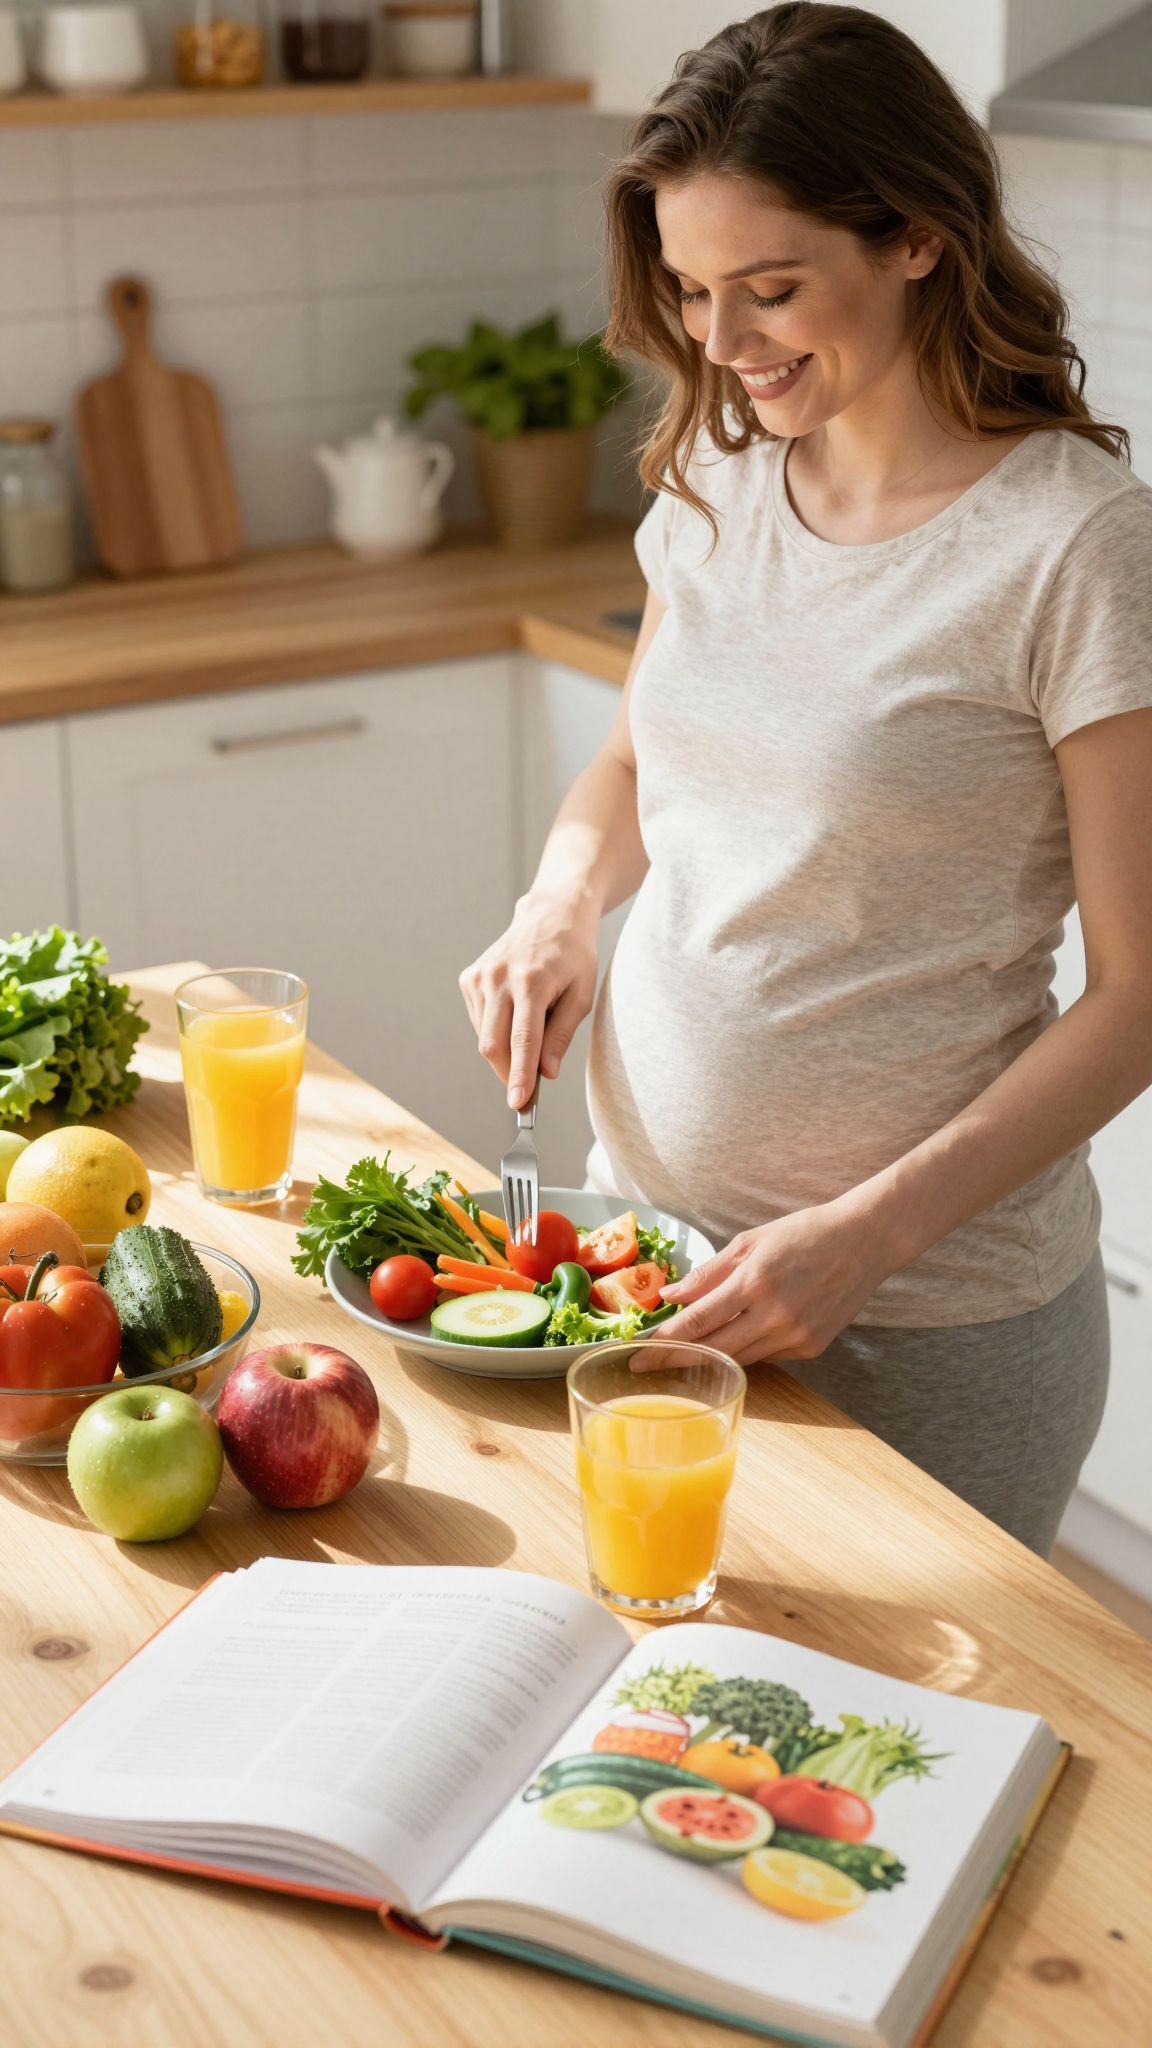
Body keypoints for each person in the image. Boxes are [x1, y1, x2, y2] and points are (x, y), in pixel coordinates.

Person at [458, 3, 1152, 1557]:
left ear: (915, 236)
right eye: (696, 291)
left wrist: (863, 1240)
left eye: (769, 289)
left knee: (876, 1767)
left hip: (922, 1316)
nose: (720, 342)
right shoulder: (716, 472)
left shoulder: (1075, 545)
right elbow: (643, 757)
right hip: (639, 1252)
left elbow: (1142, 994)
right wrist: (561, 907)